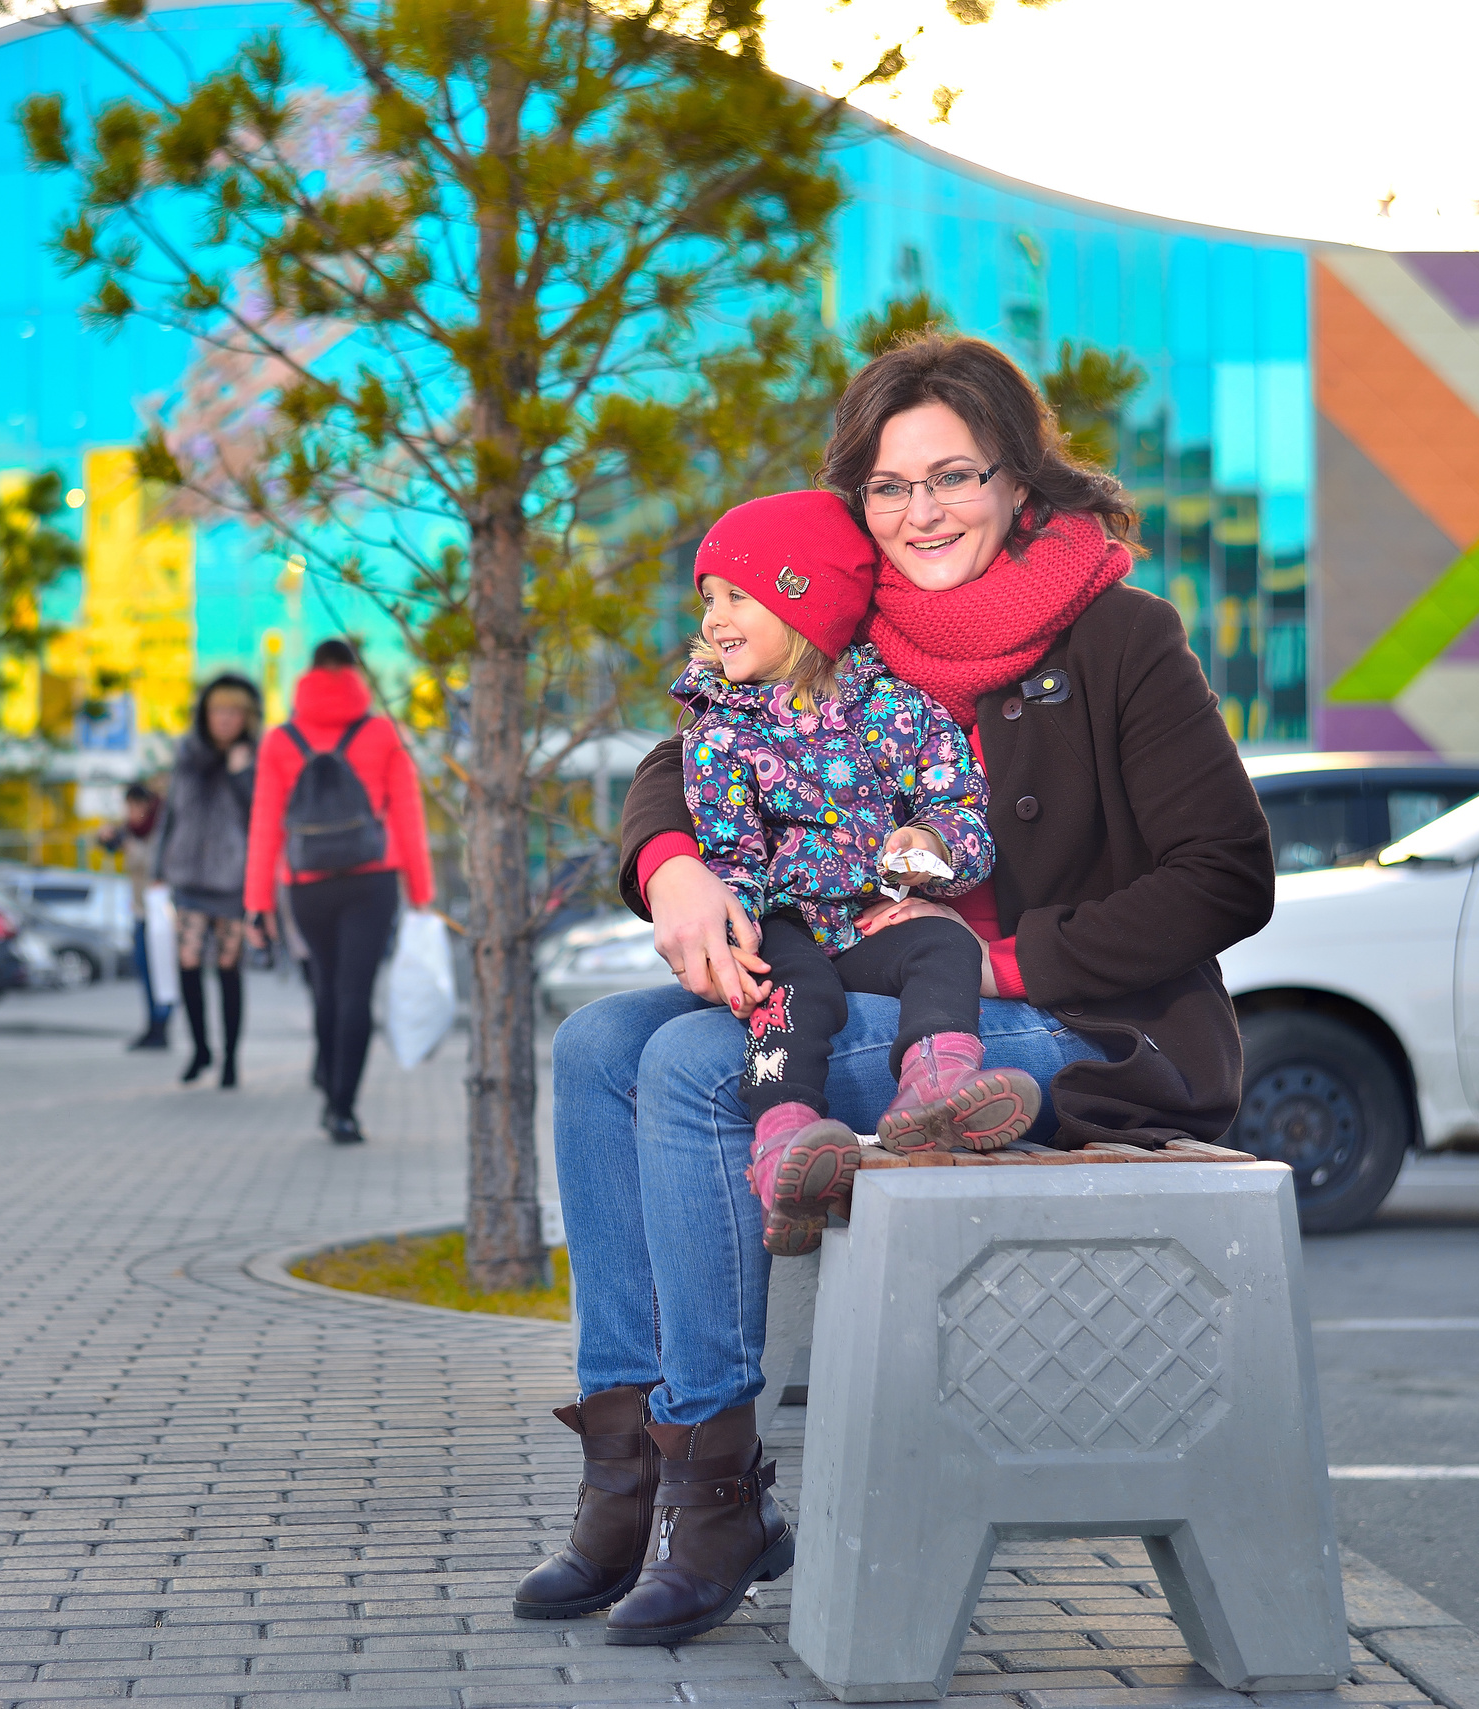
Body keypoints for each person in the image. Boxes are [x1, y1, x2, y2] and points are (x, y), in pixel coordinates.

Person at [513, 334, 1274, 1645]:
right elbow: (682, 754)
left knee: (694, 1068)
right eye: (888, 485)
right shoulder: (853, 624)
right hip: (855, 983)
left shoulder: (1120, 637)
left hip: (1057, 1024)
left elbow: (1226, 875)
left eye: (953, 476)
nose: (922, 512)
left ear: (1017, 482)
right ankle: (628, 1470)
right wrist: (672, 864)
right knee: (595, 1048)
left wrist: (1002, 957)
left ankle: (716, 1485)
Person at [672, 489, 1044, 1260]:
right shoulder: (720, 731)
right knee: (790, 993)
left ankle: (935, 1088)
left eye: (738, 597)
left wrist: (928, 846)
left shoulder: (899, 710)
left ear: (806, 606)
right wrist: (731, 931)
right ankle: (783, 1142)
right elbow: (729, 850)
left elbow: (959, 806)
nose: (714, 619)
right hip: (785, 920)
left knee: (943, 947)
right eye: (709, 599)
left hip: (875, 915)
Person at [244, 639, 433, 1145]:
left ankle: (328, 1082)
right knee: (355, 992)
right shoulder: (382, 732)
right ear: (355, 674)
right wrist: (421, 892)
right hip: (372, 880)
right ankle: (342, 1108)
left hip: (306, 885)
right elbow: (408, 815)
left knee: (325, 987)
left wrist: (257, 904)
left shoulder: (280, 740)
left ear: (310, 673)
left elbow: (264, 824)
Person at [157, 675, 262, 1088]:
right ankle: (200, 1048)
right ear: (206, 714)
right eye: (218, 710)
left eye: (234, 711)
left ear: (246, 716)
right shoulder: (187, 755)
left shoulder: (253, 758)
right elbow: (171, 814)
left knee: (228, 966)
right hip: (188, 875)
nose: (225, 719)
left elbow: (261, 815)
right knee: (186, 960)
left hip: (232, 879)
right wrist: (160, 868)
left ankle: (231, 1058)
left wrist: (239, 774)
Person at [101, 780, 174, 1051]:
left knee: (162, 972)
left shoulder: (162, 829)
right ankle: (152, 1026)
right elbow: (110, 846)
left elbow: (153, 864)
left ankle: (162, 1026)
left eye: (134, 806)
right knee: (145, 972)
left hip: (162, 914)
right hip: (141, 911)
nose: (130, 813)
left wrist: (129, 846)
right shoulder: (131, 831)